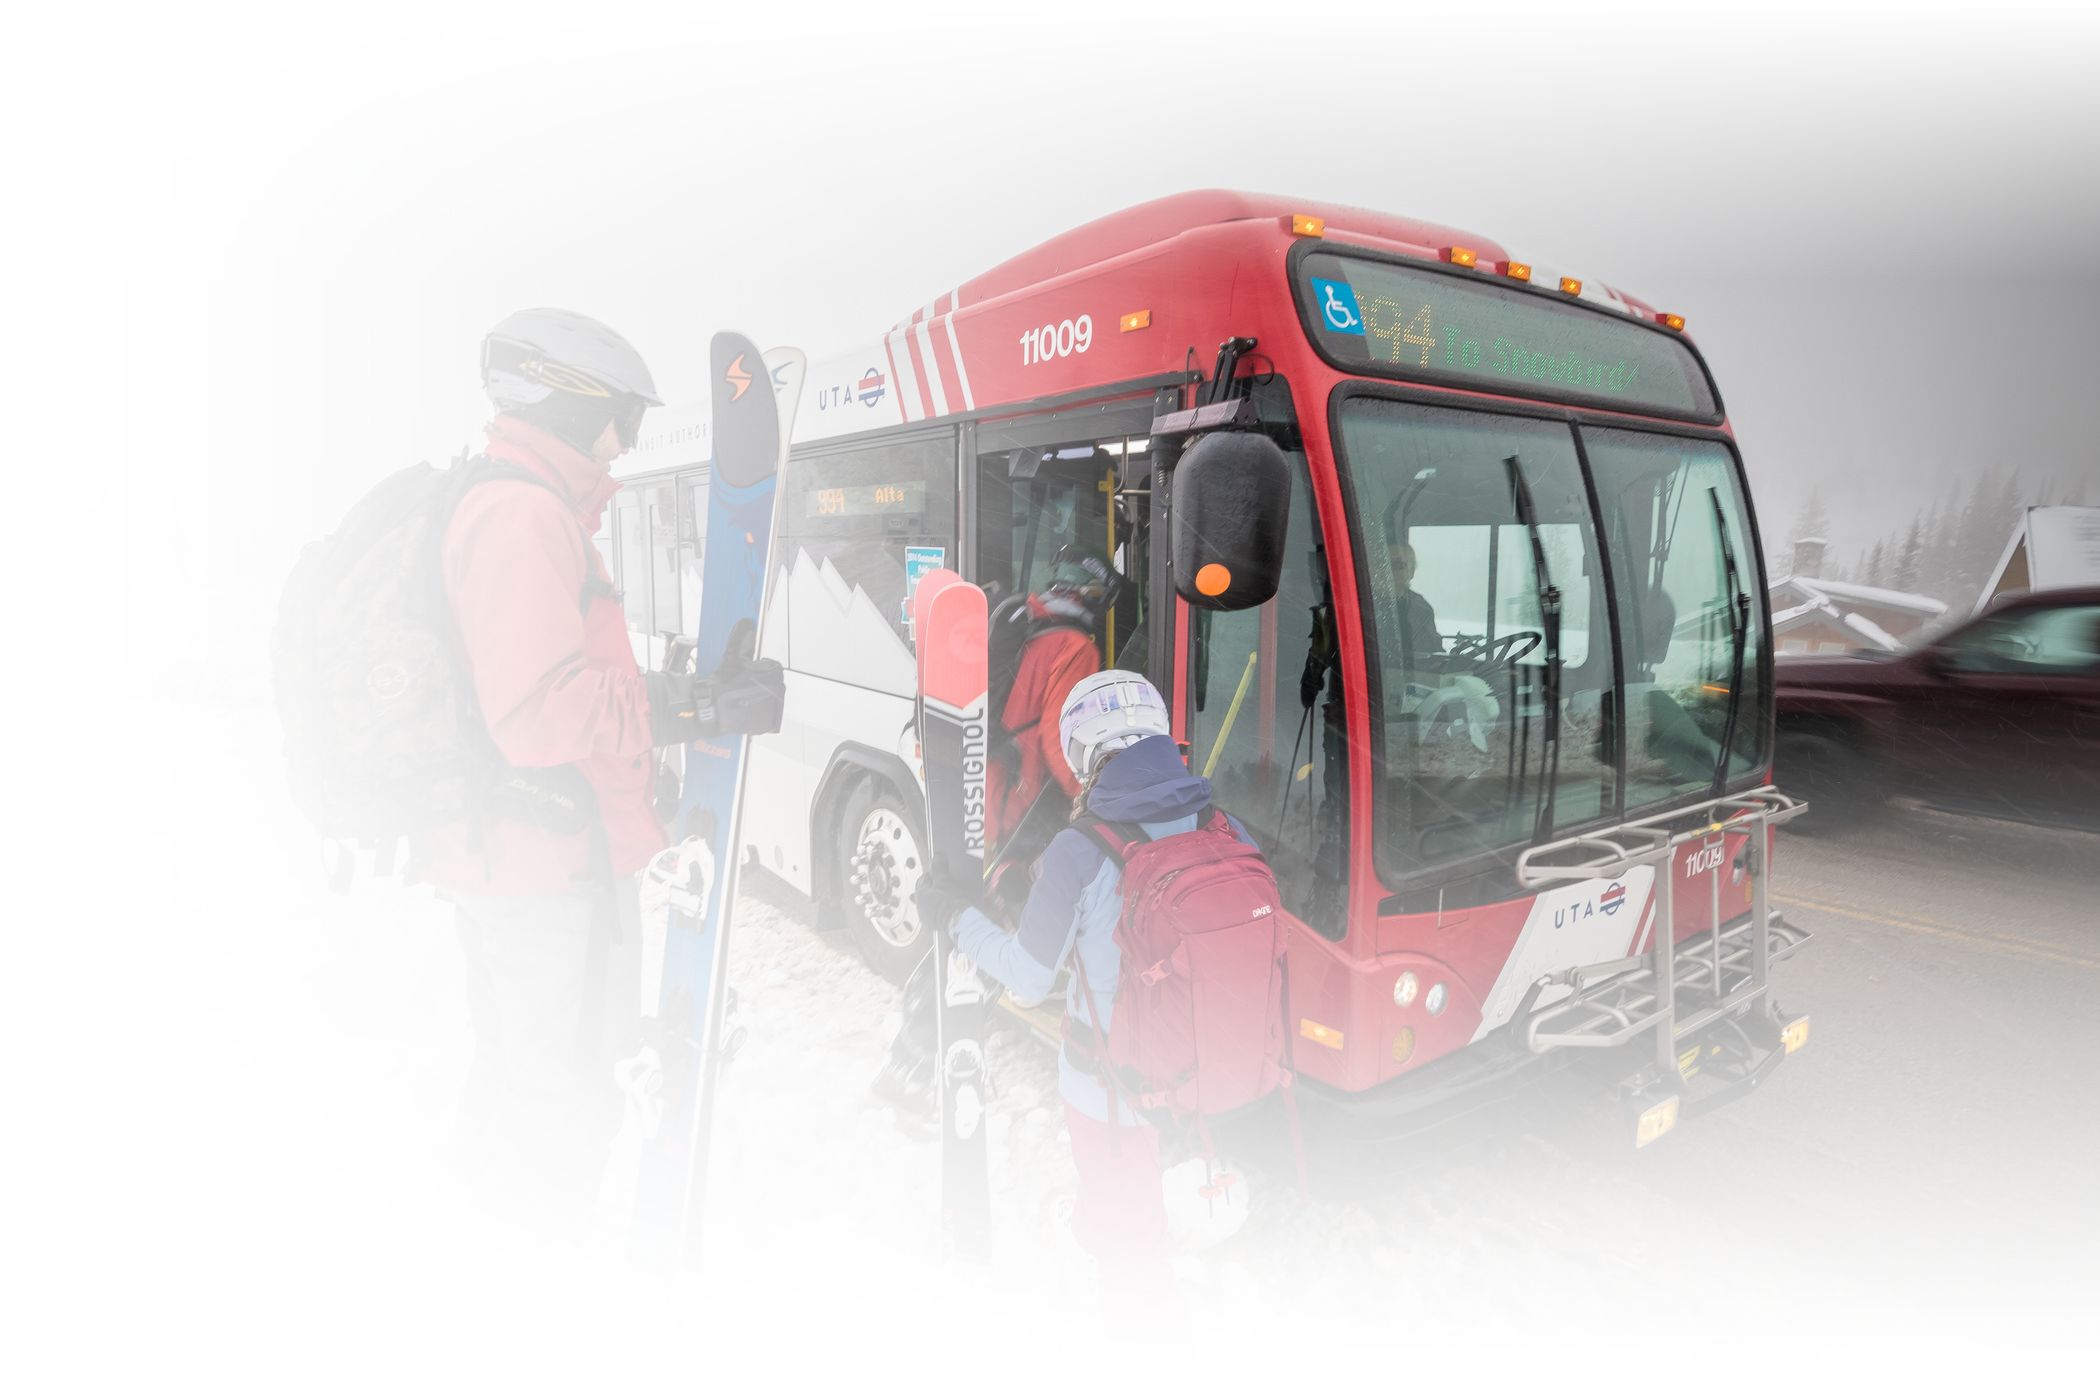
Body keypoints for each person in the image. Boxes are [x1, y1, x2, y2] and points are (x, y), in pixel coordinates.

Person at [419, 308, 782, 1229]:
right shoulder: (521, 515)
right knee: (564, 1109)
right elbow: (537, 711)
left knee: (520, 1082)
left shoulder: (515, 505)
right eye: (622, 417)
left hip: (524, 862)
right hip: (544, 872)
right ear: (568, 400)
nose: (625, 442)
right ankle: (534, 1279)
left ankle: (478, 1252)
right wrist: (684, 707)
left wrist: (655, 731)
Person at [913, 670, 1257, 1313]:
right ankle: (1098, 1227)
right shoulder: (1225, 827)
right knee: (1131, 1177)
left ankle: (1139, 1319)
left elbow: (1027, 977)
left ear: (1083, 754)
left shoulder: (1079, 848)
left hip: (1108, 1081)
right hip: (1195, 1059)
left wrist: (956, 917)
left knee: (1132, 1252)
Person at [1386, 538, 1443, 661]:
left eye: (1398, 565)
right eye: (1385, 564)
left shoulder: (1421, 607)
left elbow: (1433, 652)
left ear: (1411, 571)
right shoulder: (1360, 604)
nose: (1390, 571)